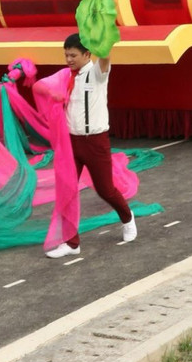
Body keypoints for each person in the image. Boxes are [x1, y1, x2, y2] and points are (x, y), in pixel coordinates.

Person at [44, 32, 137, 257]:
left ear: (87, 54)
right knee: (66, 191)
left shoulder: (96, 73)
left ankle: (127, 218)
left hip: (95, 141)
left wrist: (100, 30)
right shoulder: (65, 76)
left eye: (73, 55)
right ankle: (71, 243)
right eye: (66, 55)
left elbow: (105, 57)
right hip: (70, 143)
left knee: (105, 189)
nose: (68, 60)